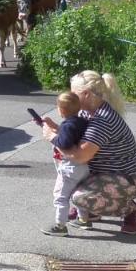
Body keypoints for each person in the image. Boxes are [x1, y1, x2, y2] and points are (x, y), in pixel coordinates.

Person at [41, 70, 136, 234]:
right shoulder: (86, 112)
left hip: (131, 177)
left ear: (85, 94)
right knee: (74, 182)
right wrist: (57, 130)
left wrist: (52, 138)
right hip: (105, 173)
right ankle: (92, 210)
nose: (70, 96)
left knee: (79, 197)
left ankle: (131, 210)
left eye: (73, 92)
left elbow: (79, 156)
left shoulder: (102, 120)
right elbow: (73, 138)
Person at [40, 91, 90, 237]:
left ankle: (60, 225)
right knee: (78, 194)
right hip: (83, 166)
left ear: (61, 110)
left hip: (70, 167)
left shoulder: (68, 126)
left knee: (61, 196)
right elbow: (69, 134)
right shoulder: (80, 122)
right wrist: (54, 126)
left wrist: (52, 137)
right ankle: (84, 220)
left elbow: (65, 142)